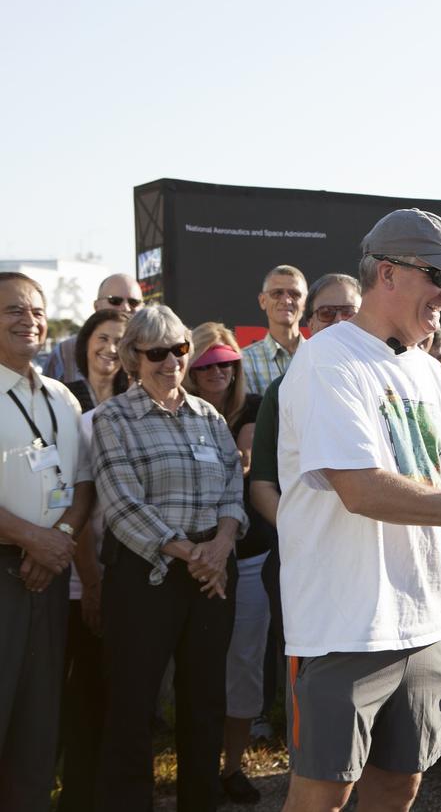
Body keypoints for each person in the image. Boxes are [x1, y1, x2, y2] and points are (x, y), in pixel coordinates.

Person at [275, 208, 441, 812]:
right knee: (323, 794)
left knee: (401, 783)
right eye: (439, 276)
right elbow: (363, 489)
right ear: (387, 274)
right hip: (342, 628)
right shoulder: (328, 359)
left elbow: (439, 501)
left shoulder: (429, 371)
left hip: (424, 625)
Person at [92, 304, 246, 812]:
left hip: (211, 576)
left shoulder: (209, 416)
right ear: (133, 359)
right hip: (145, 575)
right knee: (133, 704)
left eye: (179, 349)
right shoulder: (114, 417)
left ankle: (200, 803)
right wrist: (192, 554)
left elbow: (232, 490)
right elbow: (122, 504)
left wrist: (219, 548)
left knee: (204, 701)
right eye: (155, 352)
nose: (170, 361)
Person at [246, 272, 360, 742]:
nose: (335, 321)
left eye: (346, 311)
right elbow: (262, 484)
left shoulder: (390, 380)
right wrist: (299, 532)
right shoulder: (284, 388)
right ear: (310, 321)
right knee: (312, 686)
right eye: (326, 313)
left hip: (370, 564)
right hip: (309, 563)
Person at [0, 272, 91, 811]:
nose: (28, 320)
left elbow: (80, 484)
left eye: (36, 310)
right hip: (6, 569)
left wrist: (57, 540)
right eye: (13, 309)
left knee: (38, 727)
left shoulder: (61, 396)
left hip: (49, 574)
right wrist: (31, 538)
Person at [182, 323, 268, 805]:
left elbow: (246, 466)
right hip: (189, 559)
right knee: (195, 668)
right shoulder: (173, 413)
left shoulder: (252, 408)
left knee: (243, 664)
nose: (216, 371)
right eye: (205, 363)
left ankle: (232, 766)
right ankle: (195, 764)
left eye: (225, 363)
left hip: (249, 556)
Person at [58, 310, 131, 812]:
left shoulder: (133, 408)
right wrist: (91, 583)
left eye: (119, 341)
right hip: (82, 581)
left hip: (126, 580)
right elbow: (78, 507)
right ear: (84, 345)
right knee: (79, 695)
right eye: (101, 338)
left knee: (113, 697)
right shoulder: (70, 410)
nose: (109, 348)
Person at [45, 273, 143, 384]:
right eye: (115, 301)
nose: (126, 308)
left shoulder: (155, 353)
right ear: (97, 307)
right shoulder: (65, 352)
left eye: (133, 302)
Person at [240, 265, 308, 394]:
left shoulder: (318, 354)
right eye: (277, 293)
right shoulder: (244, 361)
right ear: (263, 301)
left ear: (306, 303)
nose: (286, 300)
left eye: (295, 294)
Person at [66, 309, 131, 411]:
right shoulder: (64, 396)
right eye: (103, 338)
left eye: (119, 342)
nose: (111, 349)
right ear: (86, 342)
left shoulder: (134, 399)